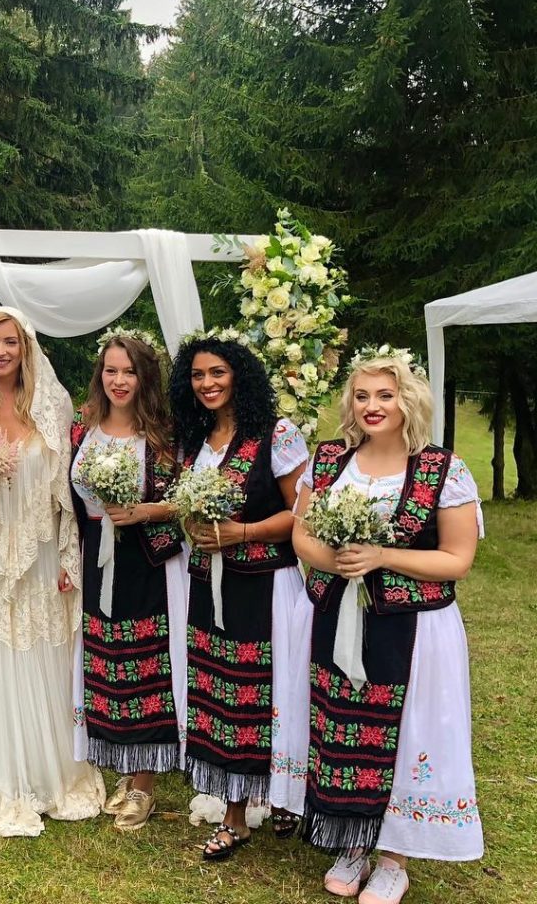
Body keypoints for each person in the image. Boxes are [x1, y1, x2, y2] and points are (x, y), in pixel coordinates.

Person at [288, 348, 483, 904]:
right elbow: (302, 535)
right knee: (341, 725)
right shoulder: (330, 460)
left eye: (385, 395)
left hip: (413, 628)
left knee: (407, 733)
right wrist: (338, 563)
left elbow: (457, 559)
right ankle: (352, 839)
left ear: (407, 401)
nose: (371, 406)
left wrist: (381, 557)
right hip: (336, 618)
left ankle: (395, 855)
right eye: (362, 395)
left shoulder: (442, 469)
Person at [0, 307, 104, 837]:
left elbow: (67, 491)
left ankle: (43, 762)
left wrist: (69, 556)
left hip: (39, 550)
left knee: (37, 645)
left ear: (26, 347)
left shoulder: (52, 404)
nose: (0, 352)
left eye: (10, 342)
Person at [168, 334, 308, 861]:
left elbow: (302, 513)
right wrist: (193, 524)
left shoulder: (277, 434)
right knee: (221, 696)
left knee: (267, 693)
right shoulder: (197, 439)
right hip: (209, 584)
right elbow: (189, 509)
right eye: (198, 375)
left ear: (239, 376)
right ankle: (235, 813)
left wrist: (242, 532)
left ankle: (280, 796)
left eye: (217, 373)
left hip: (265, 584)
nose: (207, 384)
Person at [69, 332, 187, 831]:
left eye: (130, 371)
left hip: (147, 560)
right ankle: (122, 765)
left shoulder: (164, 435)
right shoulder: (83, 428)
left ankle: (144, 784)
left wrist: (144, 511)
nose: (119, 381)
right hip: (96, 556)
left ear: (146, 377)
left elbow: (189, 498)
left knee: (146, 667)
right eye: (111, 370)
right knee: (107, 664)